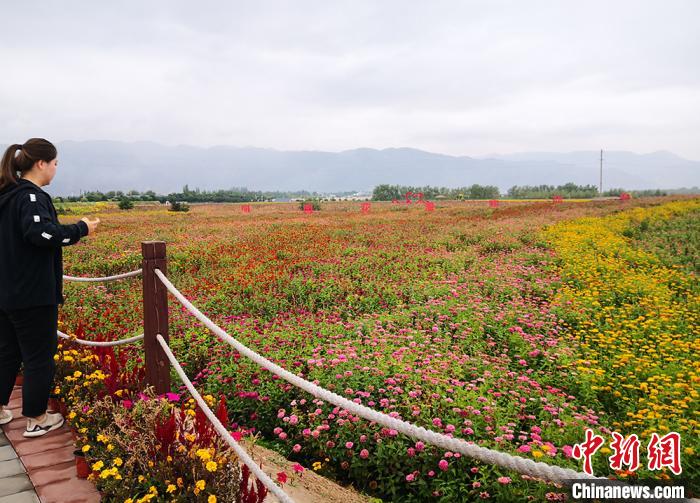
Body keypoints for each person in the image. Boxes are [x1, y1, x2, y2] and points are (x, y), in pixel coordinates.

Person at [0, 138, 100, 437]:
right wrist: (80, 229)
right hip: (31, 293)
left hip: (6, 291)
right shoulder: (30, 197)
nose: (56, 169)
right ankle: (36, 417)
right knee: (38, 356)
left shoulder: (6, 194)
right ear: (41, 164)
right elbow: (41, 234)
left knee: (6, 351)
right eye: (55, 163)